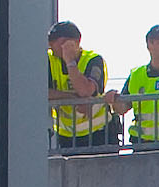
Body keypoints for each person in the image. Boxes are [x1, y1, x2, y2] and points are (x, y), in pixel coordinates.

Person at [46, 20, 120, 153]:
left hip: (99, 134)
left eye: (55, 41)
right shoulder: (49, 60)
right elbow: (42, 93)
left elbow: (85, 91)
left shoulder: (93, 60)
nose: (50, 45)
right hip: (68, 137)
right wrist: (72, 97)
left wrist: (70, 61)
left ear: (71, 43)